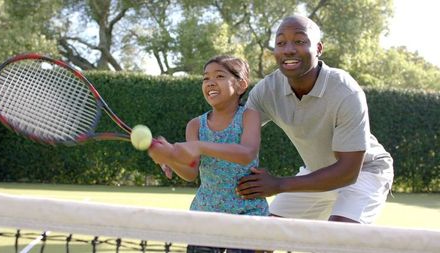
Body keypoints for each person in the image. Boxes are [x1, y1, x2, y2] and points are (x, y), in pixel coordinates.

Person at [235, 15, 394, 224]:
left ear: (318, 49)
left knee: (334, 241)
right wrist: (185, 152)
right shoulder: (267, 89)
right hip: (316, 174)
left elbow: (348, 172)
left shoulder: (345, 90)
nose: (289, 49)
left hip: (364, 171)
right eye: (280, 43)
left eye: (299, 41)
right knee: (258, 239)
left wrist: (278, 184)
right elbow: (235, 133)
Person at [148, 55, 269, 253]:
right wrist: (169, 157)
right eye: (205, 78)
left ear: (241, 85)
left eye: (219, 76)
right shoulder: (195, 125)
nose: (210, 82)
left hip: (248, 218)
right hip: (205, 218)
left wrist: (201, 146)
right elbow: (190, 173)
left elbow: (247, 153)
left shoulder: (249, 116)